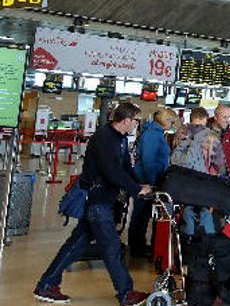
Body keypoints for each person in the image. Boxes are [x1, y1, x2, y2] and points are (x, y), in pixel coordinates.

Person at [34, 103, 152, 306]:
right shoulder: (104, 138)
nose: (136, 125)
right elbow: (111, 172)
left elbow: (125, 167)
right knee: (112, 247)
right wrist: (135, 189)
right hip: (97, 202)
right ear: (126, 120)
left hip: (103, 201)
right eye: (136, 121)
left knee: (75, 245)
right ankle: (126, 293)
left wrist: (138, 185)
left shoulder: (120, 138)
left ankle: (46, 285)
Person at [128, 108, 177, 257]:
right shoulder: (152, 135)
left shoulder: (155, 133)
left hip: (149, 179)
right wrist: (150, 183)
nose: (173, 124)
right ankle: (137, 247)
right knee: (140, 214)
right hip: (146, 180)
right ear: (165, 120)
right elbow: (148, 161)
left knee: (143, 214)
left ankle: (139, 245)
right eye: (172, 121)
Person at [177, 130, 225, 237]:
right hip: (195, 197)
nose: (215, 150)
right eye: (213, 145)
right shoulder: (194, 156)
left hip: (203, 196)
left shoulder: (210, 160)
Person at [210, 105, 230, 179]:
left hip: (228, 176)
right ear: (215, 117)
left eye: (228, 117)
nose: (227, 120)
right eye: (224, 117)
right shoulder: (206, 132)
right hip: (210, 176)